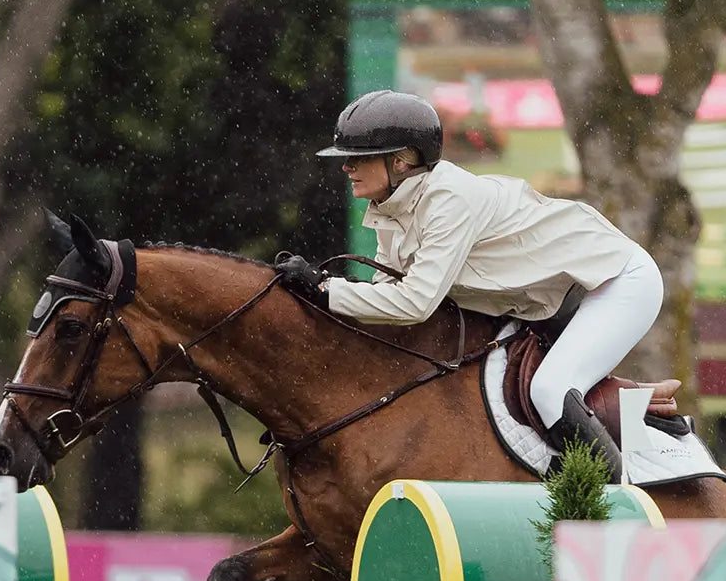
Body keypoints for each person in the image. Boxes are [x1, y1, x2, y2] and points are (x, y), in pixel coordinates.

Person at [276, 90, 664, 479]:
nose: (347, 168)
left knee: (550, 388)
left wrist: (325, 289)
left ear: (400, 160)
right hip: (554, 301)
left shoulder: (450, 199)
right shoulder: (391, 209)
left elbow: (413, 304)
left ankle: (617, 504)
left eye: (358, 158)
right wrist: (323, 290)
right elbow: (383, 296)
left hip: (616, 282)